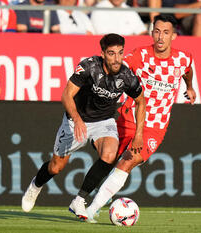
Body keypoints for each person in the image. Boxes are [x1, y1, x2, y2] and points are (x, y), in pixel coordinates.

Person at [81, 14, 196, 223]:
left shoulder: (183, 58)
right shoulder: (140, 55)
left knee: (128, 161)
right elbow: (115, 68)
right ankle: (80, 199)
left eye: (166, 32)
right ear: (152, 32)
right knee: (108, 160)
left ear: (174, 36)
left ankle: (92, 210)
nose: (160, 37)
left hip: (155, 126)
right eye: (157, 31)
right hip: (127, 118)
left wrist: (190, 87)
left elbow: (187, 70)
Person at [21, 33, 146, 214]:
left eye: (120, 53)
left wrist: (139, 135)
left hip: (104, 120)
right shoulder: (89, 67)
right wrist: (78, 120)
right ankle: (35, 185)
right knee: (56, 167)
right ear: (103, 54)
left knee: (110, 155)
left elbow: (141, 101)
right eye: (111, 53)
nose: (117, 58)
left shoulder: (127, 77)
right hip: (76, 120)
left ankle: (79, 200)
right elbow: (66, 95)